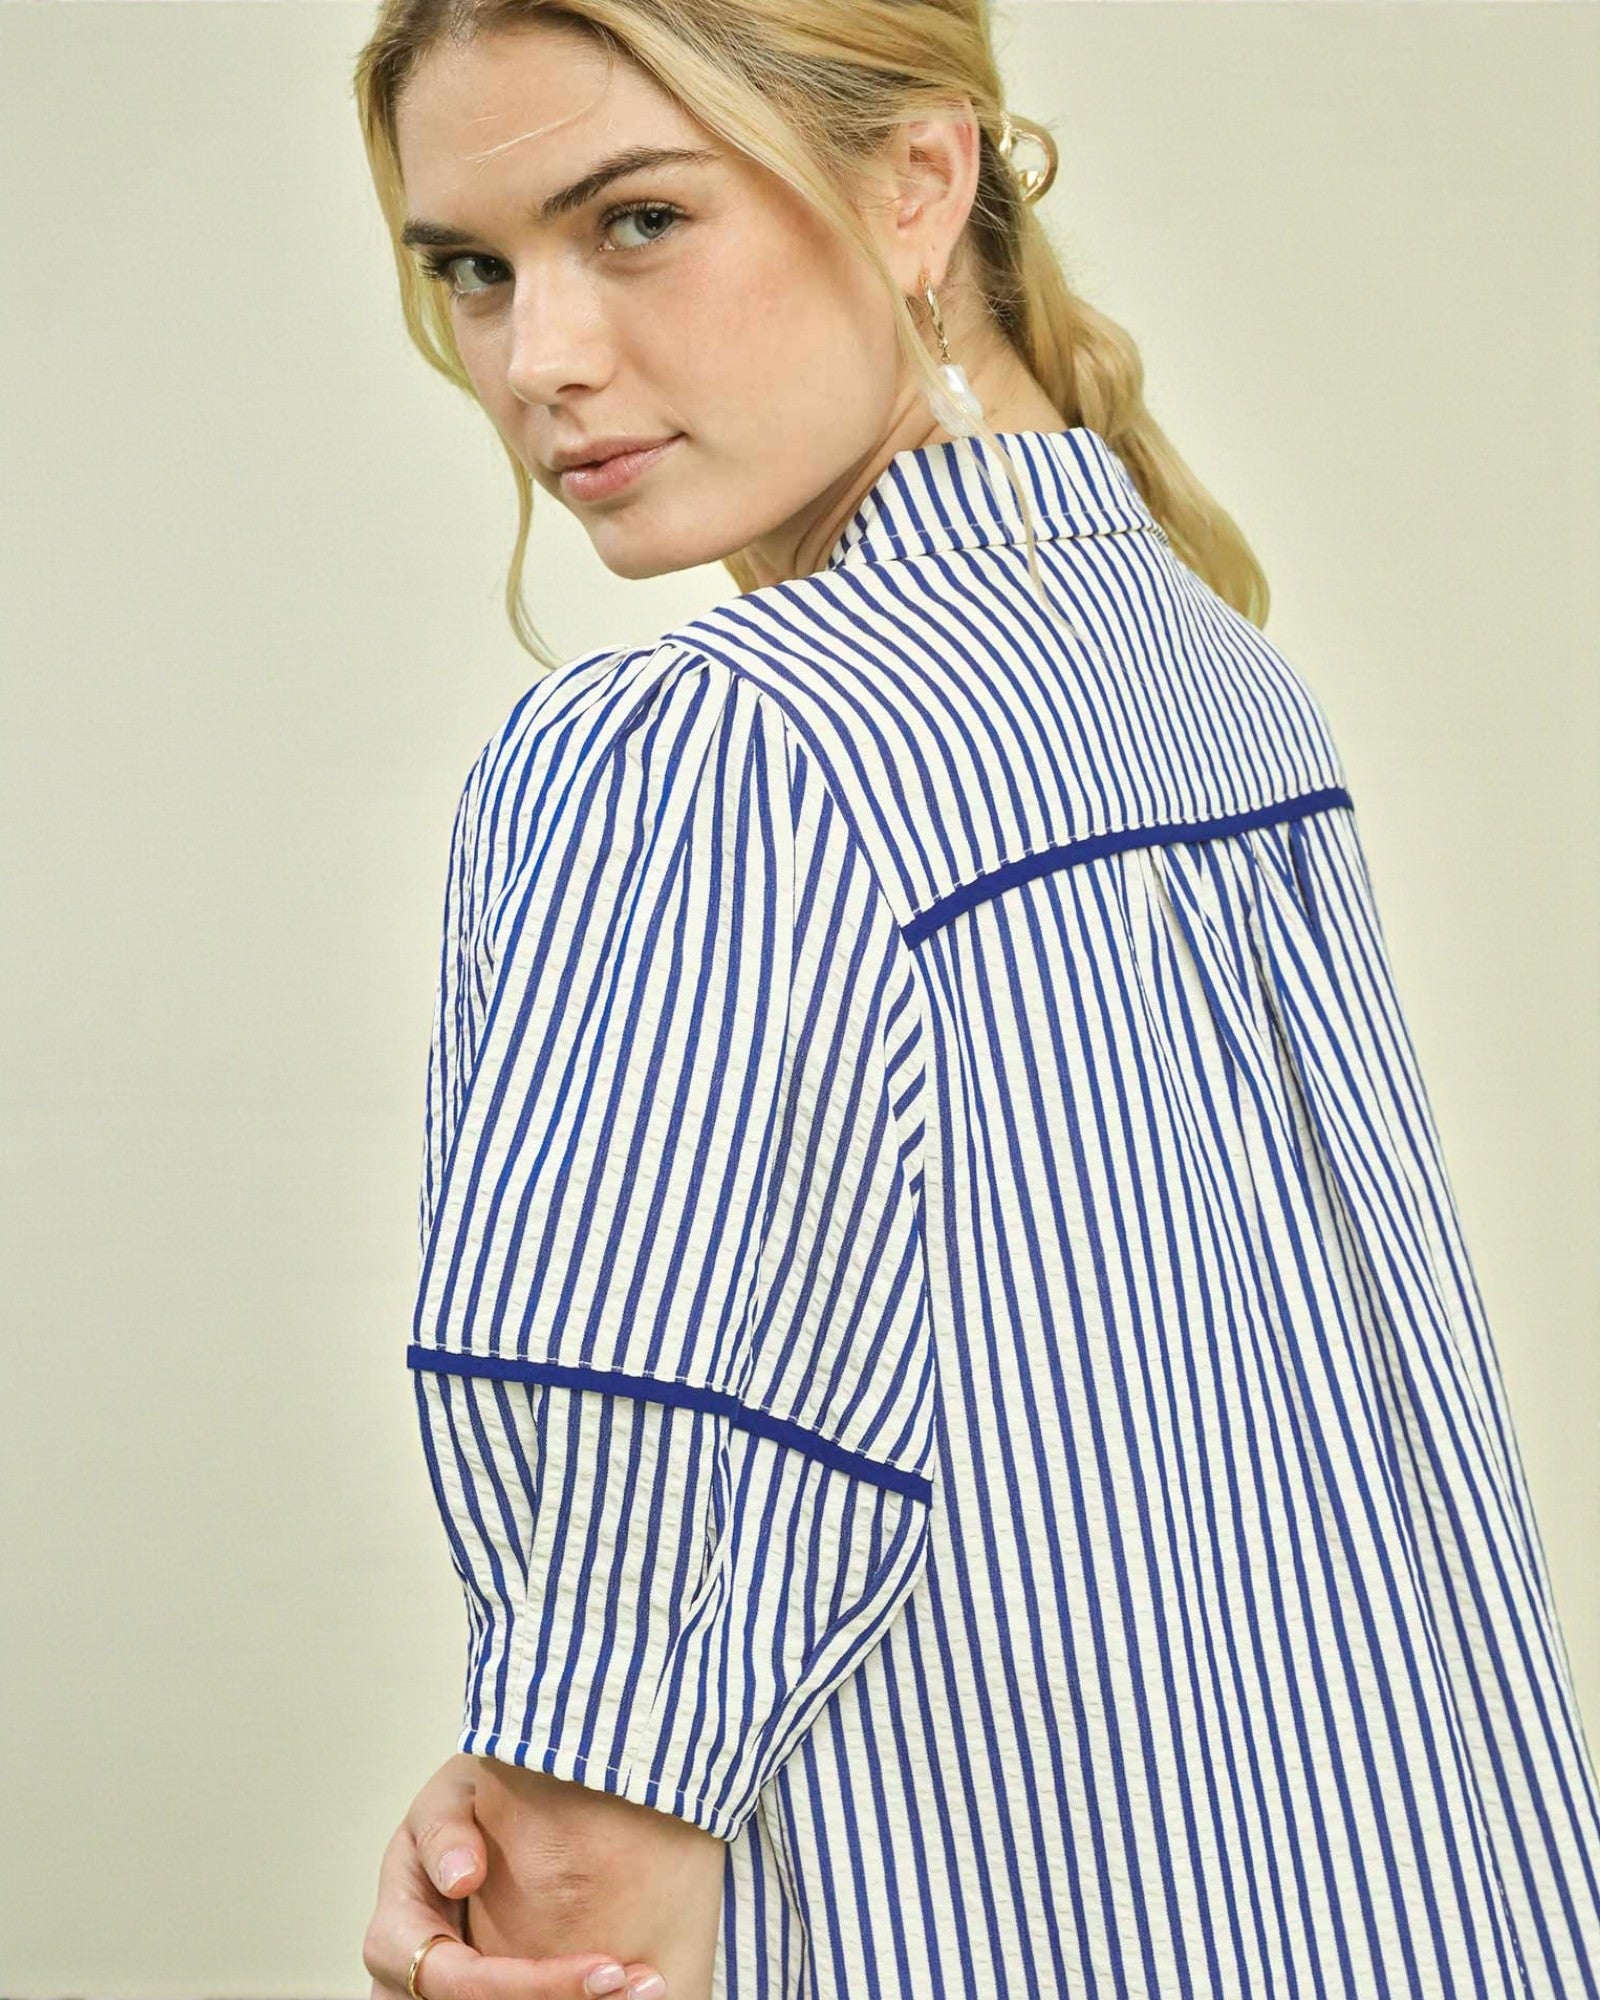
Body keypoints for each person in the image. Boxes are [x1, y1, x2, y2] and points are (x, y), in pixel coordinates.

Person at [352, 3, 1600, 1997]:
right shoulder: (1210, 675)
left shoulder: (724, 750)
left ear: (914, 184)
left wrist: (568, 1796)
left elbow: (616, 1675)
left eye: (637, 223)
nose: (538, 359)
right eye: (475, 269)